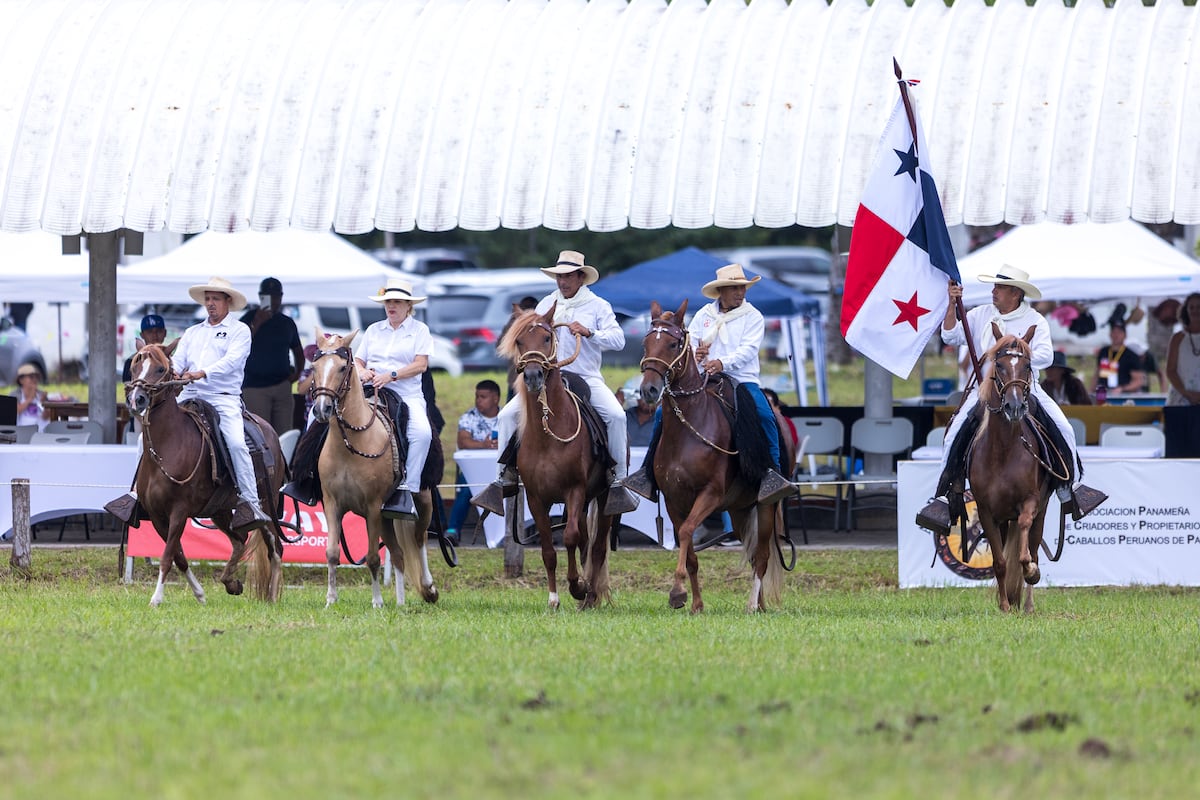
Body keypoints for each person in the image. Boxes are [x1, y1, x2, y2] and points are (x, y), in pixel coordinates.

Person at [916, 266, 1104, 532]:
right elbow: (950, 335)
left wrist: (1012, 352)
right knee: (952, 433)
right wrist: (951, 304)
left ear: (1015, 293)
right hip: (984, 389)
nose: (993, 292)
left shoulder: (1036, 320)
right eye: (994, 287)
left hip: (1027, 388)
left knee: (1065, 428)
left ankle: (1069, 489)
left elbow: (1046, 357)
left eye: (999, 288)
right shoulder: (981, 314)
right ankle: (947, 496)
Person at [473, 251, 638, 516]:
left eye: (568, 276)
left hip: (585, 377)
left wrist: (590, 332)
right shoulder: (545, 303)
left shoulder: (598, 306)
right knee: (506, 416)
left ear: (581, 277)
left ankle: (618, 481)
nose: (562, 281)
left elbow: (618, 340)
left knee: (617, 416)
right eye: (559, 276)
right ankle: (503, 477)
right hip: (547, 379)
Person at [623, 263, 795, 506]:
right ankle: (648, 472)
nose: (741, 293)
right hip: (705, 379)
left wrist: (721, 363)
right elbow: (688, 346)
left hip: (742, 379)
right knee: (662, 412)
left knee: (764, 414)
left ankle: (773, 473)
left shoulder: (753, 316)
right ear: (721, 291)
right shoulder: (704, 315)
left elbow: (749, 350)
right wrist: (698, 355)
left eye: (742, 288)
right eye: (735, 288)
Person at [174, 276, 272, 530]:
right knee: (148, 435)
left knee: (237, 444)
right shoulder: (192, 332)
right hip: (188, 395)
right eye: (207, 299)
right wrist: (172, 373)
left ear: (228, 301)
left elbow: (233, 361)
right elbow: (177, 361)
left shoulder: (240, 331)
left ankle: (250, 501)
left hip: (222, 398)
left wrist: (202, 372)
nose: (210, 303)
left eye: (215, 298)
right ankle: (139, 494)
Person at [354, 278, 434, 515]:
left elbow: (421, 364)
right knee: (329, 419)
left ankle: (408, 488)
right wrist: (362, 371)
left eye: (397, 302)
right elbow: (358, 360)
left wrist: (391, 375)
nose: (392, 306)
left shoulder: (420, 330)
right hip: (371, 389)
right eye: (389, 301)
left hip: (406, 393)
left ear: (408, 306)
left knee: (422, 433)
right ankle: (312, 477)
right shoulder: (373, 330)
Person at [240, 277, 304, 434]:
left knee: (284, 433)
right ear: (260, 297)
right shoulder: (248, 319)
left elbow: (298, 351)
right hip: (254, 387)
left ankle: (283, 459)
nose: (273, 300)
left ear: (281, 297)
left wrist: (297, 373)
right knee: (260, 434)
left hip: (282, 386)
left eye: (276, 296)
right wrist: (257, 322)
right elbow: (239, 346)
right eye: (267, 296)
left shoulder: (287, 322)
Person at [446, 379, 502, 544]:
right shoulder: (468, 416)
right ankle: (452, 531)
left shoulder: (507, 415)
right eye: (477, 396)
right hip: (475, 472)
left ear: (496, 399)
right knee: (465, 488)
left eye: (483, 397)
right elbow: (463, 441)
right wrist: (483, 445)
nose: (478, 400)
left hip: (502, 471)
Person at [1092, 320, 1146, 399]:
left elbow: (1138, 381)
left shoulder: (1131, 355)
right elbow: (1097, 374)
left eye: (1119, 332)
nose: (1116, 335)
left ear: (1125, 335)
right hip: (1103, 394)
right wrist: (1091, 390)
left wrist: (1123, 389)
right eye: (1114, 332)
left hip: (1122, 396)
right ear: (1110, 334)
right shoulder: (1103, 352)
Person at [1166, 292, 1200, 406]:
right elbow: (1170, 370)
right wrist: (1186, 393)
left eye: (1199, 307)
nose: (1195, 311)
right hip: (1180, 400)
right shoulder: (1178, 338)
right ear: (1186, 310)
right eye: (1191, 307)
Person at [122, 314, 167, 383]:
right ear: (142, 335)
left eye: (159, 331)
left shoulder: (173, 360)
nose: (154, 335)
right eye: (149, 332)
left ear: (165, 333)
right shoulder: (131, 361)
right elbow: (129, 389)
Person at [12, 363, 48, 431]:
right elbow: (15, 412)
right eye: (31, 377)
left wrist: (44, 404)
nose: (34, 379)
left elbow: (46, 417)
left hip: (40, 432)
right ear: (21, 380)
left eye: (36, 377)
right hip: (21, 432)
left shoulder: (41, 394)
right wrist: (30, 399)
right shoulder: (15, 394)